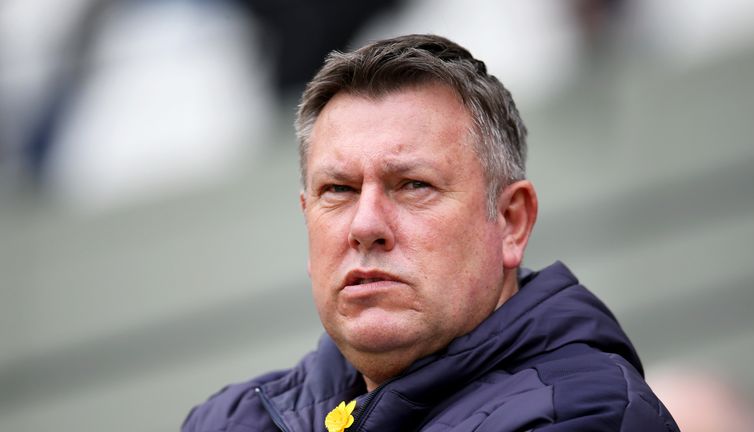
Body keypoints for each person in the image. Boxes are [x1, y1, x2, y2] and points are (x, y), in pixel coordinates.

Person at [182, 34, 679, 432]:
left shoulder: (585, 414)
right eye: (338, 189)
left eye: (413, 185)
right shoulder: (227, 421)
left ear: (511, 221)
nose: (365, 225)